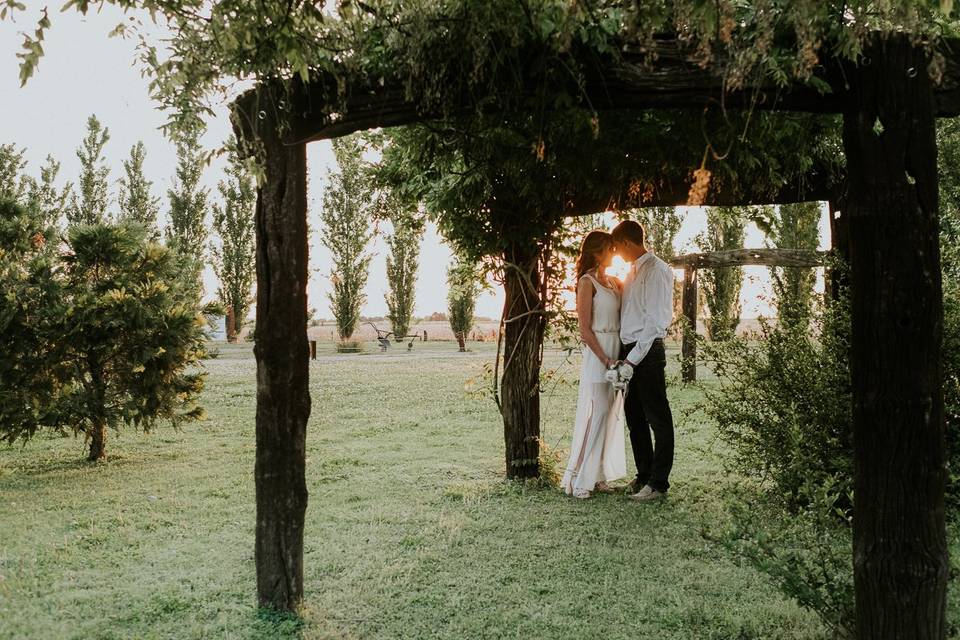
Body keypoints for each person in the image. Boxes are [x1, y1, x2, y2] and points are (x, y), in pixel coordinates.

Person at [610, 220, 676, 502]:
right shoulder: (631, 272)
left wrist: (632, 361)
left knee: (657, 418)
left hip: (646, 353)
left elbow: (654, 323)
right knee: (634, 418)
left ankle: (659, 484)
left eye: (617, 247)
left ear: (627, 242)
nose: (617, 252)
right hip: (630, 353)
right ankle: (644, 475)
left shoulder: (657, 270)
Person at [561, 230, 627, 498]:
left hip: (617, 351)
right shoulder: (587, 282)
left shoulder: (614, 282)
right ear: (598, 251)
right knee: (598, 413)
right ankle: (579, 479)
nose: (615, 253)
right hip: (599, 354)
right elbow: (585, 330)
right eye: (610, 248)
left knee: (611, 414)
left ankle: (599, 475)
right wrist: (606, 359)